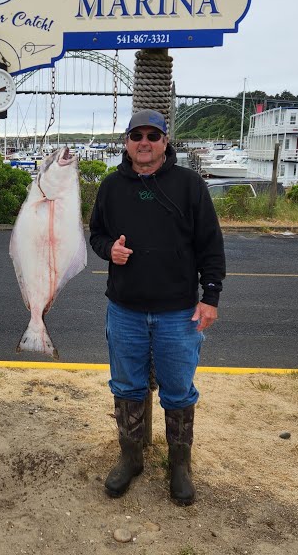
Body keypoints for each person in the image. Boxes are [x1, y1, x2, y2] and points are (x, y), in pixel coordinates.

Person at [87, 109, 226, 506]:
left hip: (178, 313)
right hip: (125, 309)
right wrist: (108, 250)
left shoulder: (189, 185)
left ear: (166, 142)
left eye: (152, 135)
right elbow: (96, 234)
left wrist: (210, 297)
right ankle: (130, 458)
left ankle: (180, 465)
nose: (144, 142)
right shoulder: (112, 186)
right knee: (126, 386)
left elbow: (211, 246)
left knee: (179, 390)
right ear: (126, 143)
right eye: (136, 136)